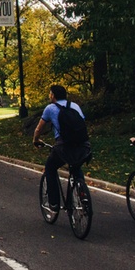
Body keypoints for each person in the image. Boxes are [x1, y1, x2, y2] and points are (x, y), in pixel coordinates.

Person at [32, 84, 91, 213]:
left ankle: (53, 203)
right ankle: (83, 195)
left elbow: (39, 129)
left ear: (53, 95)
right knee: (76, 167)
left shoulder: (50, 108)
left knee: (50, 167)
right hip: (83, 145)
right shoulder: (75, 106)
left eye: (49, 93)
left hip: (64, 147)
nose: (49, 95)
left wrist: (36, 140)